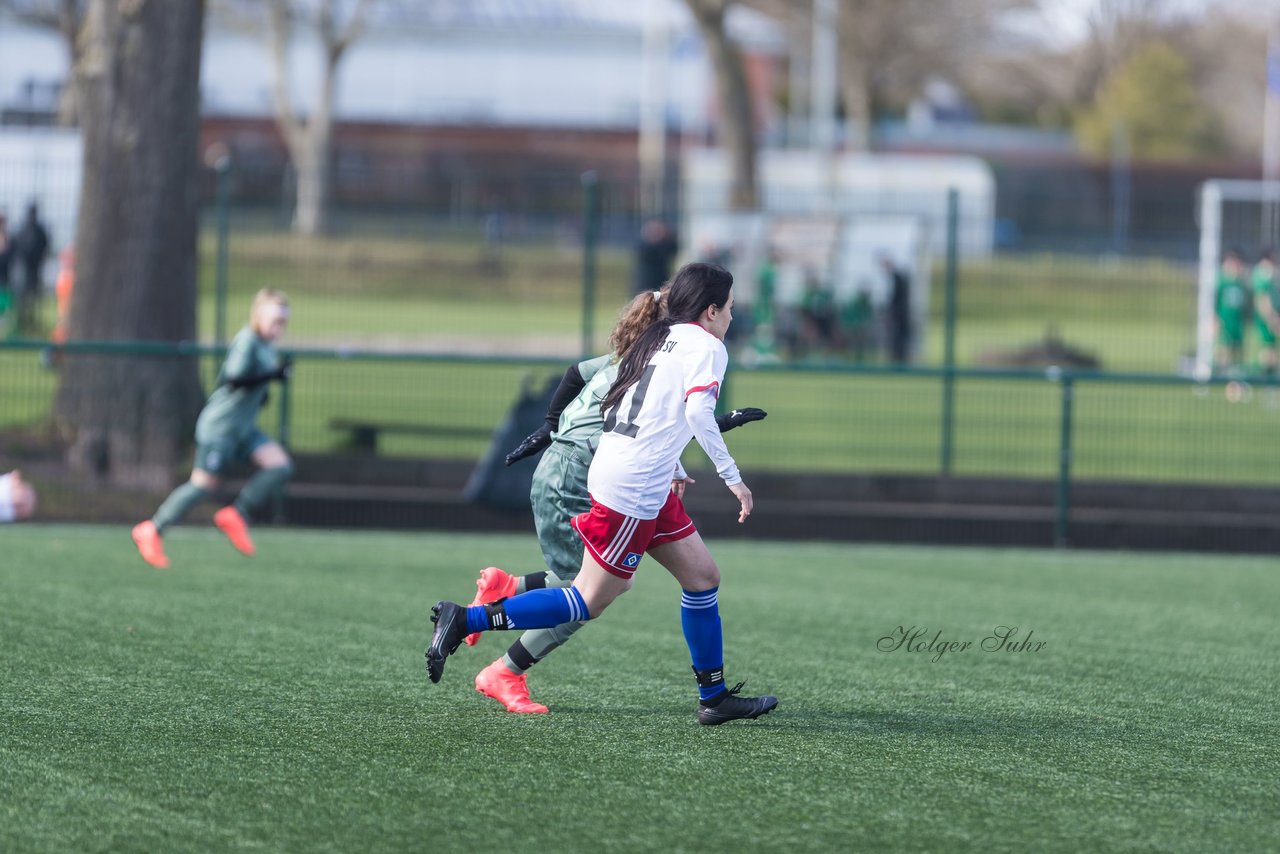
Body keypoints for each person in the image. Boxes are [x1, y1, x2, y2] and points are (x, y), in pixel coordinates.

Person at [427, 262, 778, 726]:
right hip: (631, 487)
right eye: (730, 309)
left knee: (702, 576)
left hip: (635, 475)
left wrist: (669, 461)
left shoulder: (658, 337)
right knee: (588, 599)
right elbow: (695, 411)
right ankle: (465, 621)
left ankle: (713, 698)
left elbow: (632, 409)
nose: (733, 317)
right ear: (711, 311)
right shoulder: (708, 346)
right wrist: (732, 476)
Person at [131, 289, 294, 569]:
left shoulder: (267, 346)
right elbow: (234, 379)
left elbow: (252, 385)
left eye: (283, 323)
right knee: (203, 486)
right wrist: (272, 375)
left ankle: (237, 514)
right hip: (220, 428)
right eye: (275, 321)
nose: (279, 328)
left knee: (279, 465)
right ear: (258, 316)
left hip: (242, 429)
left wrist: (264, 391)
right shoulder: (248, 342)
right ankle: (152, 529)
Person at [12, 201, 50, 337]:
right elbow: (17, 247)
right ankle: (23, 322)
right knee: (23, 298)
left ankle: (31, 322)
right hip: (24, 268)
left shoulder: (38, 229)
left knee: (33, 299)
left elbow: (45, 245)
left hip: (34, 269)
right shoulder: (25, 228)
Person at [1215, 249, 1250, 378]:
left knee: (1238, 348)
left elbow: (1246, 303)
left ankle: (1235, 373)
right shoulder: (1222, 282)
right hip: (1226, 320)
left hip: (1238, 321)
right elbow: (1215, 302)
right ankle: (1219, 371)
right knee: (1225, 347)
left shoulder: (1241, 282)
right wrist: (1215, 318)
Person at [633, 218, 678, 295]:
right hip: (645, 282)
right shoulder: (644, 245)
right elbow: (646, 251)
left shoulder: (666, 244)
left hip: (660, 280)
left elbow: (673, 249)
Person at [1252, 249, 1279, 377]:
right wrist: (1272, 319)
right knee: (1268, 349)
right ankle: (1267, 379)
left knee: (1271, 349)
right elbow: (1262, 301)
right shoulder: (1261, 277)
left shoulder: (1271, 279)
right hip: (1268, 320)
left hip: (1272, 318)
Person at [882, 254, 912, 364]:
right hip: (901, 313)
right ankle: (899, 358)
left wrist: (892, 312)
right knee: (899, 337)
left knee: (899, 337)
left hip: (900, 314)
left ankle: (899, 359)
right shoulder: (898, 277)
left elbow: (896, 298)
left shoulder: (896, 277)